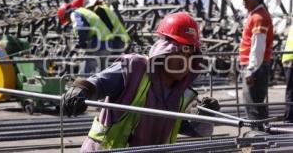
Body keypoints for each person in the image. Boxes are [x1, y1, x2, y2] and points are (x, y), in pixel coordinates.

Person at [62, 12, 220, 151]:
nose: (183, 62)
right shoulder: (134, 69)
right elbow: (99, 83)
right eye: (177, 53)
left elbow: (196, 131)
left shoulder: (181, 94)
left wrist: (206, 116)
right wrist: (81, 89)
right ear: (163, 52)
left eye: (189, 56)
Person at [57, 0, 130, 73]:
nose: (69, 22)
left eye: (67, 20)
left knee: (84, 73)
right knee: (103, 73)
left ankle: (80, 84)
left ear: (66, 15)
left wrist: (81, 43)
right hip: (109, 43)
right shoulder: (88, 12)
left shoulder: (75, 14)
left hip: (101, 43)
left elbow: (81, 27)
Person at [239, 0, 274, 128]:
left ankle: (256, 140)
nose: (244, 1)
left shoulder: (259, 17)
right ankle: (262, 139)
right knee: (256, 106)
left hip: (254, 68)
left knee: (253, 107)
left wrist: (251, 71)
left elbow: (258, 48)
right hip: (255, 67)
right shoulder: (256, 15)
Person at [282, 24, 293, 122]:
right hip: (291, 60)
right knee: (291, 90)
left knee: (290, 90)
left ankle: (288, 116)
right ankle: (289, 117)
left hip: (288, 59)